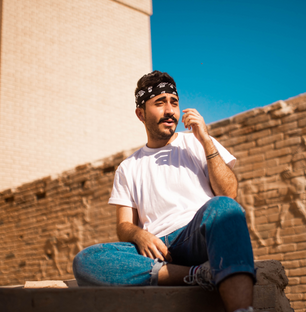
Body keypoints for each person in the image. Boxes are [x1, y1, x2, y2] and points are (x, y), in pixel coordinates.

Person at [73, 71, 256, 312]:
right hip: (155, 250)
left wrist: (206, 140)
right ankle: (196, 274)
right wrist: (139, 236)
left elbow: (229, 192)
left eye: (174, 102)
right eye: (160, 103)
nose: (170, 110)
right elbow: (124, 226)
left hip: (197, 237)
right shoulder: (128, 167)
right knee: (86, 260)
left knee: (225, 208)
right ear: (141, 113)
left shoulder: (197, 143)